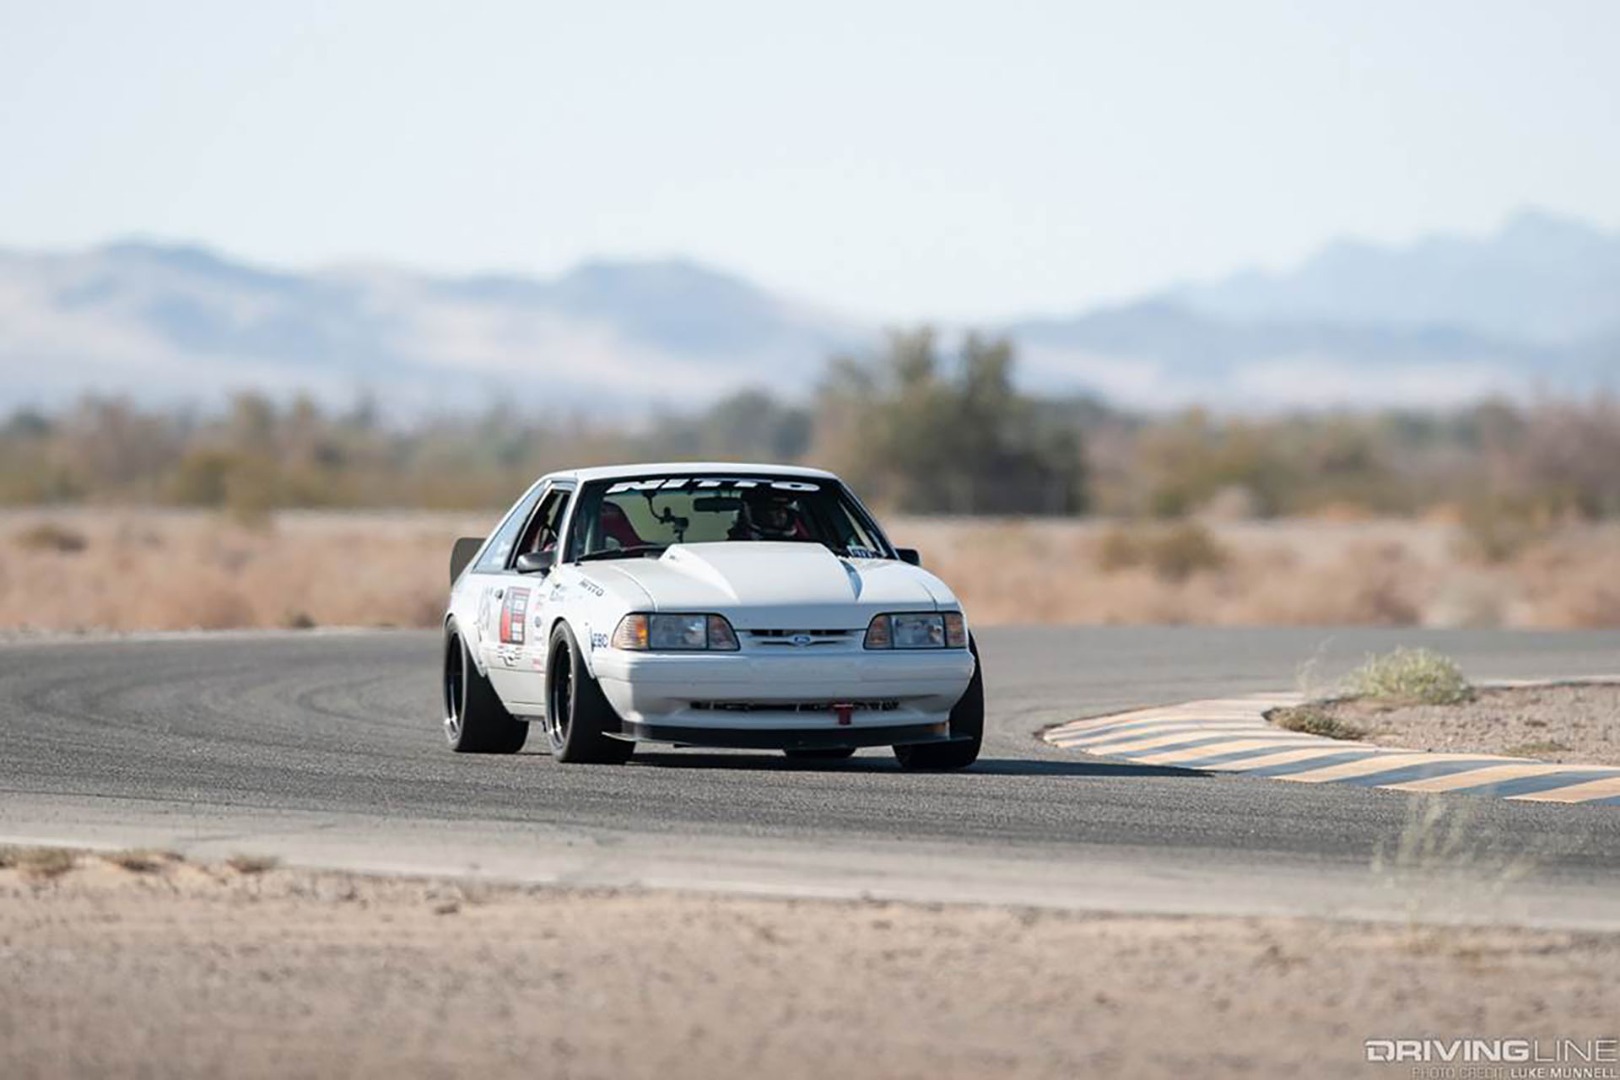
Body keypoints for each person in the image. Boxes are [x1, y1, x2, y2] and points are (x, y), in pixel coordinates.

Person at [729, 488, 806, 541]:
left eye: (785, 510)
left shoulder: (805, 541)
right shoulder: (736, 547)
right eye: (773, 509)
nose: (781, 515)